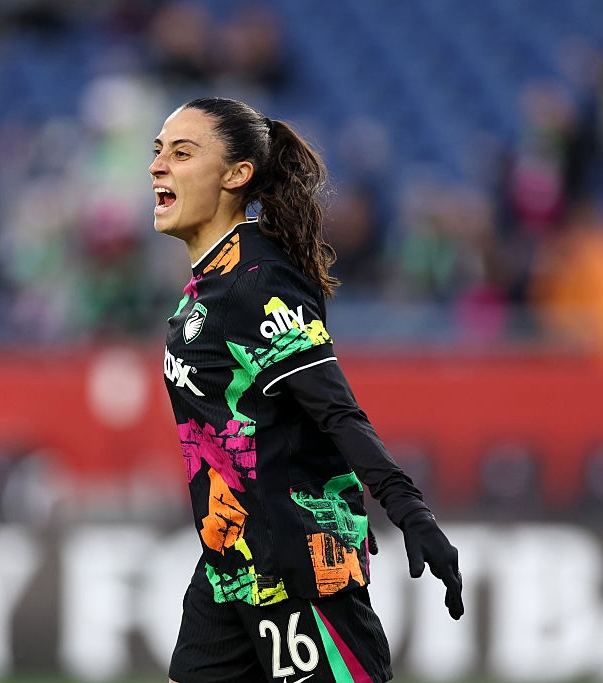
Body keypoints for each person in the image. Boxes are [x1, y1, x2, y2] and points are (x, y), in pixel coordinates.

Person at [150, 96, 463, 683]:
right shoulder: (210, 284)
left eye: (182, 153)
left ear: (236, 175)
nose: (158, 166)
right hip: (232, 565)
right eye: (158, 151)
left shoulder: (258, 280)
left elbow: (335, 410)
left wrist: (411, 512)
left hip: (297, 567)